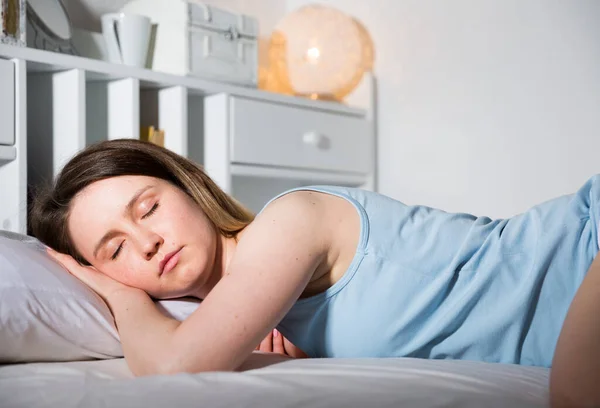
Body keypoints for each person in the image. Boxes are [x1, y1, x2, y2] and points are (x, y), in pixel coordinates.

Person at [30, 138, 600, 407]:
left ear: (186, 185)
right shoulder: (259, 314)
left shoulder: (289, 222)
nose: (148, 242)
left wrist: (111, 289)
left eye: (148, 207)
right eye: (115, 251)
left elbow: (175, 366)